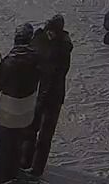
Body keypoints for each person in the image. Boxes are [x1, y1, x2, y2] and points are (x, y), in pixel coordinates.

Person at [22, 15, 71, 176]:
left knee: (45, 135)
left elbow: (57, 72)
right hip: (38, 93)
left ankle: (36, 170)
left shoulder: (63, 48)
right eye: (48, 30)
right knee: (30, 129)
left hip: (52, 97)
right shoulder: (41, 38)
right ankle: (25, 160)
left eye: (53, 32)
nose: (50, 34)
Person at [0, 24, 40, 184]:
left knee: (4, 141)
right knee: (18, 141)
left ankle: (0, 175)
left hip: (9, 109)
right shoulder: (36, 59)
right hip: (27, 109)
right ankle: (13, 170)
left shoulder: (9, 61)